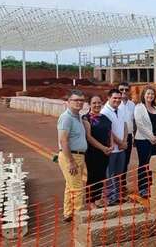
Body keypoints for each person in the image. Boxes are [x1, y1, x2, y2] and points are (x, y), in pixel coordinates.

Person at [57, 89, 88, 222]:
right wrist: (70, 161)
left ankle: (68, 213)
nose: (79, 103)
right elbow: (63, 140)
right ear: (68, 102)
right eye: (75, 100)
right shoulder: (66, 117)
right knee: (77, 188)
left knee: (70, 187)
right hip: (71, 157)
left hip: (78, 156)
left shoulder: (78, 117)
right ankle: (79, 217)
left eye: (81, 100)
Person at [82, 95, 113, 207]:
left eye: (99, 102)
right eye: (94, 103)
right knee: (93, 176)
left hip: (105, 153)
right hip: (92, 152)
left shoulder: (105, 118)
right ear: (89, 104)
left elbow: (110, 132)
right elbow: (89, 137)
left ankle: (98, 198)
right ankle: (90, 200)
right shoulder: (86, 118)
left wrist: (111, 145)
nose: (97, 105)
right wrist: (103, 148)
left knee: (101, 175)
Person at [134, 86, 156, 198]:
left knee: (152, 163)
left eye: (152, 94)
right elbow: (140, 124)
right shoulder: (139, 107)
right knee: (143, 163)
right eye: (148, 94)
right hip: (143, 140)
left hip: (155, 141)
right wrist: (151, 137)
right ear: (144, 95)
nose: (150, 96)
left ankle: (150, 185)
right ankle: (142, 188)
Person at [101, 89, 128, 204]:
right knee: (109, 174)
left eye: (119, 98)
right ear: (108, 98)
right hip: (112, 149)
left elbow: (125, 125)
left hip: (121, 149)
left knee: (119, 173)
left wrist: (125, 141)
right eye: (115, 98)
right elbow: (109, 131)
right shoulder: (104, 112)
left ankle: (116, 196)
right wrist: (120, 143)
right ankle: (111, 198)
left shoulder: (120, 109)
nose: (117, 100)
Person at [117, 82, 135, 188]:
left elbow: (134, 122)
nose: (124, 91)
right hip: (116, 137)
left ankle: (122, 184)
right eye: (121, 89)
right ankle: (115, 187)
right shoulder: (114, 104)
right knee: (116, 162)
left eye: (126, 90)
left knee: (126, 161)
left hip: (128, 136)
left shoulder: (132, 105)